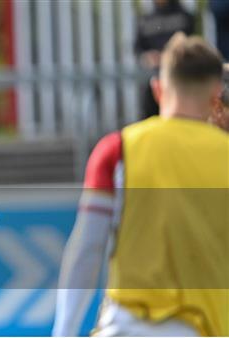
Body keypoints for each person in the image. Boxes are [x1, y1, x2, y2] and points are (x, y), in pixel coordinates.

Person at [52, 33, 228, 336]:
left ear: (158, 90)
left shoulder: (118, 149)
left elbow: (87, 249)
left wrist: (63, 331)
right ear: (217, 95)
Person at [135, 0, 195, 119]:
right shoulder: (145, 19)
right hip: (153, 77)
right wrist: (149, 57)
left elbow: (191, 45)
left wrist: (170, 55)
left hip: (179, 77)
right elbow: (139, 50)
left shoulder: (183, 16)